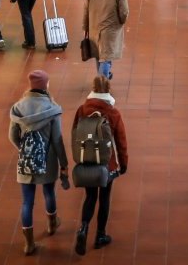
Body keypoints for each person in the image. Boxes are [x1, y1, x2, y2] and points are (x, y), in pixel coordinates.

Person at [9, 69, 70, 255]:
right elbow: (58, 140)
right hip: (48, 159)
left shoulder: (18, 108)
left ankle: (29, 243)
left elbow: (12, 136)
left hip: (26, 161)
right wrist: (64, 164)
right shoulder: (52, 108)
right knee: (49, 193)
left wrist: (24, 150)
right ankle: (52, 225)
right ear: (45, 85)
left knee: (27, 202)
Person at [72, 76, 129, 254]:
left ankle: (83, 228)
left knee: (90, 198)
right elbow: (121, 141)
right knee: (104, 199)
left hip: (87, 160)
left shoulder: (82, 110)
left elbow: (75, 134)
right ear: (108, 90)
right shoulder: (113, 113)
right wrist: (123, 163)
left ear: (92, 89)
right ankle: (100, 235)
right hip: (107, 164)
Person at [85, 0, 129, 79]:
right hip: (110, 29)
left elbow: (86, 9)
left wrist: (86, 27)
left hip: (94, 27)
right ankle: (102, 82)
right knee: (106, 56)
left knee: (99, 54)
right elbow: (124, 12)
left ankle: (104, 75)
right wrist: (121, 22)